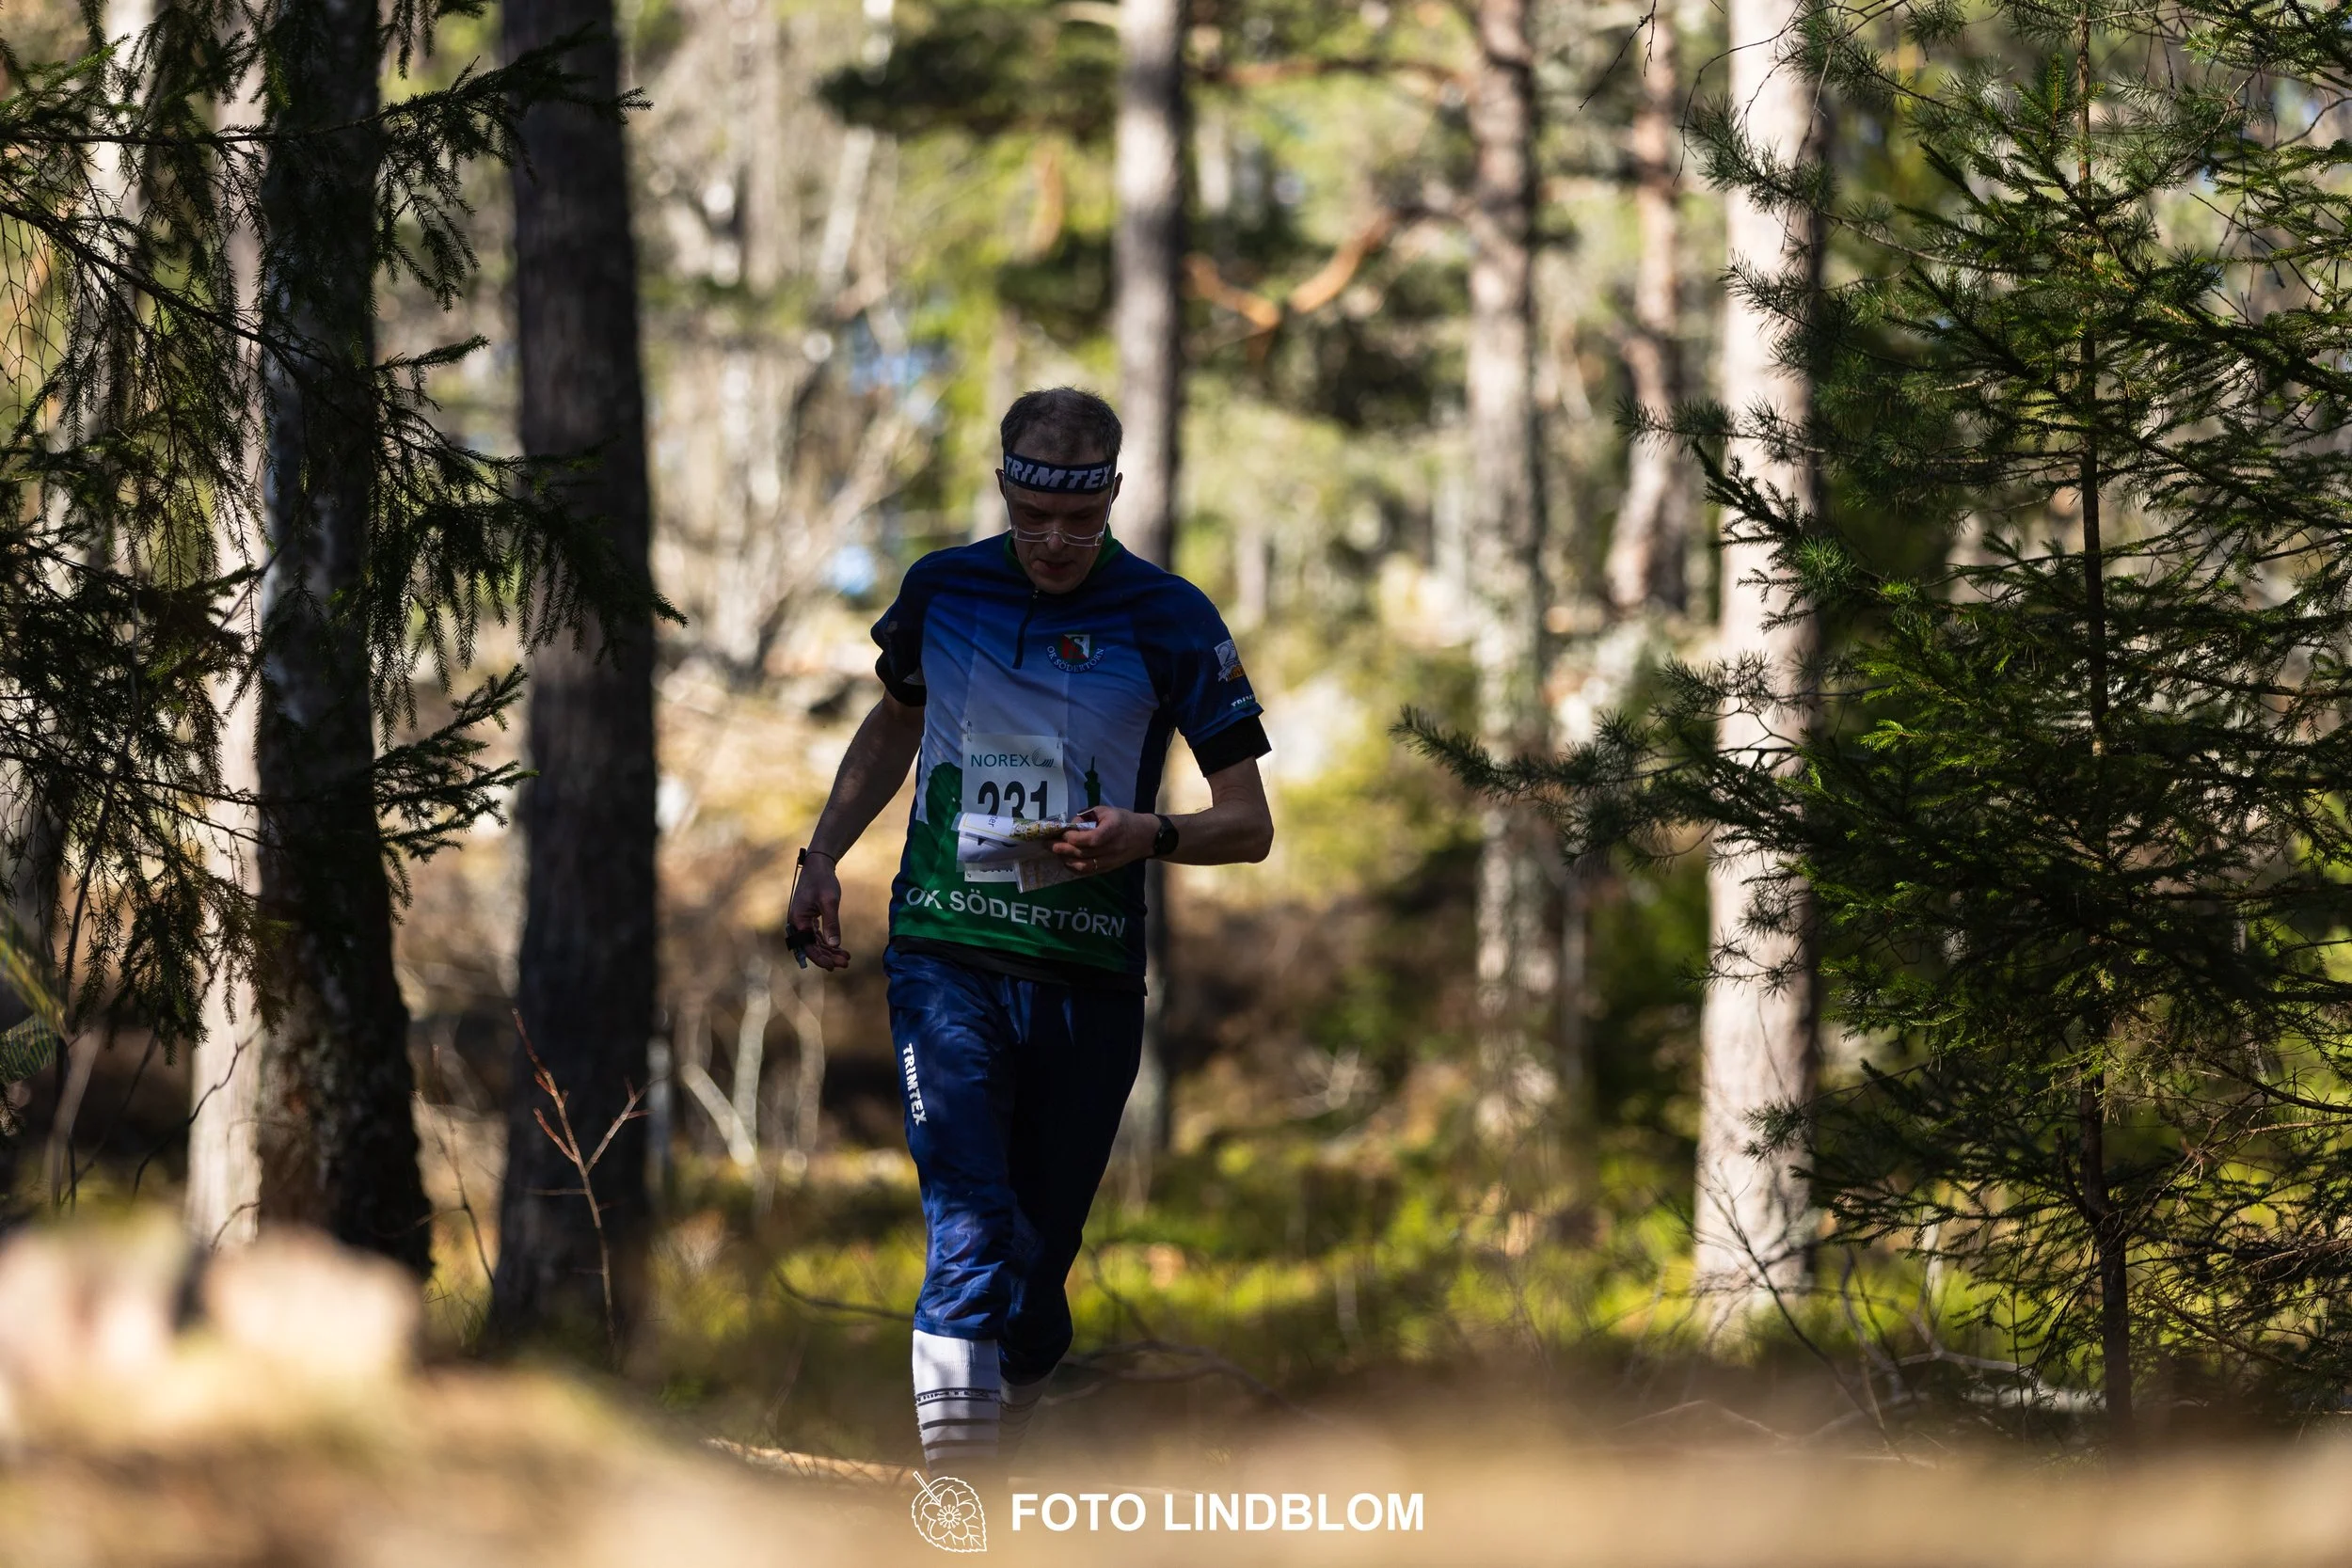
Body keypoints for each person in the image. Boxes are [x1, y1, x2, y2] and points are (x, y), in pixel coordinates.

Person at [785, 387, 1276, 1479]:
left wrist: (1148, 833)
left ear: (1111, 494)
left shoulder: (1171, 617)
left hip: (1085, 977)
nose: (1054, 542)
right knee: (966, 1225)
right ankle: (958, 1514)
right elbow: (898, 718)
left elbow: (1249, 825)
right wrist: (823, 856)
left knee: (1035, 1282)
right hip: (944, 951)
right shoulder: (941, 588)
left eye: (1080, 521)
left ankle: (1001, 1443)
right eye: (1033, 516)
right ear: (1004, 484)